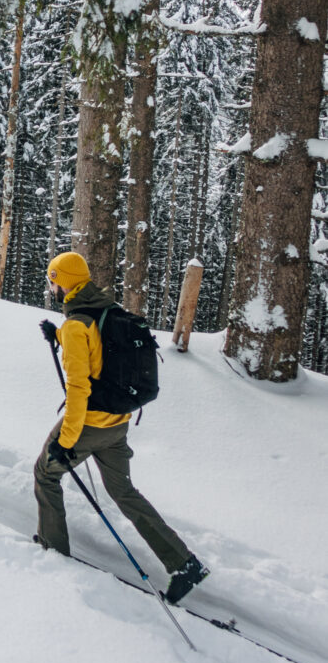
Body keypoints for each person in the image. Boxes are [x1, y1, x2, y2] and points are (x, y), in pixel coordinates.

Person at [34, 250, 209, 605]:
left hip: (91, 424)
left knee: (45, 473)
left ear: (63, 282)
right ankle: (184, 563)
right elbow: (101, 353)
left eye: (53, 280)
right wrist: (59, 339)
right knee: (124, 492)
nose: (51, 286)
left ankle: (53, 549)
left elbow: (80, 389)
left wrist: (66, 442)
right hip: (118, 424)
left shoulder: (76, 324)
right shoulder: (103, 309)